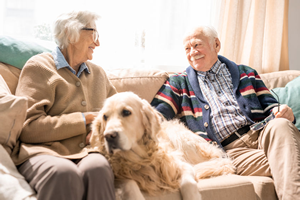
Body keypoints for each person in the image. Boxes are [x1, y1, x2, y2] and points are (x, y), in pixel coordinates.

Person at [151, 25, 300, 200]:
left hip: (264, 134)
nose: (192, 52)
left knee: (281, 124)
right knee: (290, 160)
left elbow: (271, 107)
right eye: (187, 48)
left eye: (197, 45)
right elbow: (153, 117)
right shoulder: (178, 83)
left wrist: (281, 111)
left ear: (216, 44)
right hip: (231, 151)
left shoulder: (246, 73)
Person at [12, 11, 117, 200]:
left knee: (98, 168)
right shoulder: (39, 67)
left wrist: (102, 128)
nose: (98, 43)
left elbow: (117, 114)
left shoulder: (98, 74)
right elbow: (28, 127)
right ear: (70, 33)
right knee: (63, 174)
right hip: (43, 152)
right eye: (93, 34)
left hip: (87, 152)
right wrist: (85, 118)